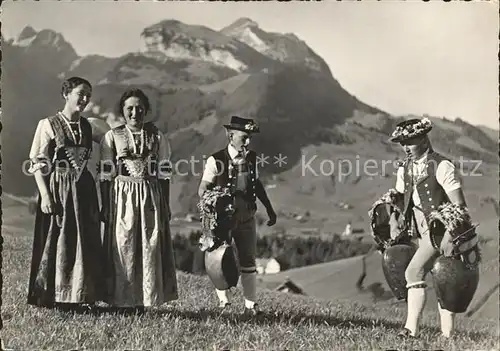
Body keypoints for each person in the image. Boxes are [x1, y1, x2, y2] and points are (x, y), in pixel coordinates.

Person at [26, 76, 103, 311]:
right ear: (66, 94)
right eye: (80, 93)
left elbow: (115, 141)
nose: (85, 99)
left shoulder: (90, 126)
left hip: (84, 189)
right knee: (58, 240)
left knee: (84, 240)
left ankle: (80, 296)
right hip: (58, 189)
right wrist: (45, 197)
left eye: (88, 94)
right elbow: (38, 163)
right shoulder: (48, 124)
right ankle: (54, 297)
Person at [98, 88, 177, 312]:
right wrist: (105, 204)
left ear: (146, 110)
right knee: (123, 245)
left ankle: (143, 300)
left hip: (150, 196)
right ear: (122, 111)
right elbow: (106, 173)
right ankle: (121, 300)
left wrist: (166, 204)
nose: (135, 113)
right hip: (121, 196)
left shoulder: (157, 136)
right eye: (129, 108)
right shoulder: (112, 136)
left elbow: (164, 172)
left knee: (148, 246)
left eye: (139, 108)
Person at [388, 117, 468, 338]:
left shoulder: (442, 166)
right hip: (420, 232)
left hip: (442, 232)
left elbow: (459, 205)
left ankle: (411, 330)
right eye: (402, 143)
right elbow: (398, 199)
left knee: (415, 272)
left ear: (424, 139)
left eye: (410, 142)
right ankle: (447, 336)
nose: (405, 148)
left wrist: (451, 236)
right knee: (442, 280)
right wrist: (394, 220)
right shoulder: (404, 169)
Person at [198, 116, 277, 315]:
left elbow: (256, 184)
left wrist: (269, 207)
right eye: (244, 137)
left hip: (247, 214)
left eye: (249, 137)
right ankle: (224, 303)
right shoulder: (215, 160)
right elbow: (203, 188)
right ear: (230, 136)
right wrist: (213, 202)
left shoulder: (251, 158)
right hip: (224, 215)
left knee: (248, 258)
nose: (248, 141)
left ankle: (251, 305)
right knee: (219, 256)